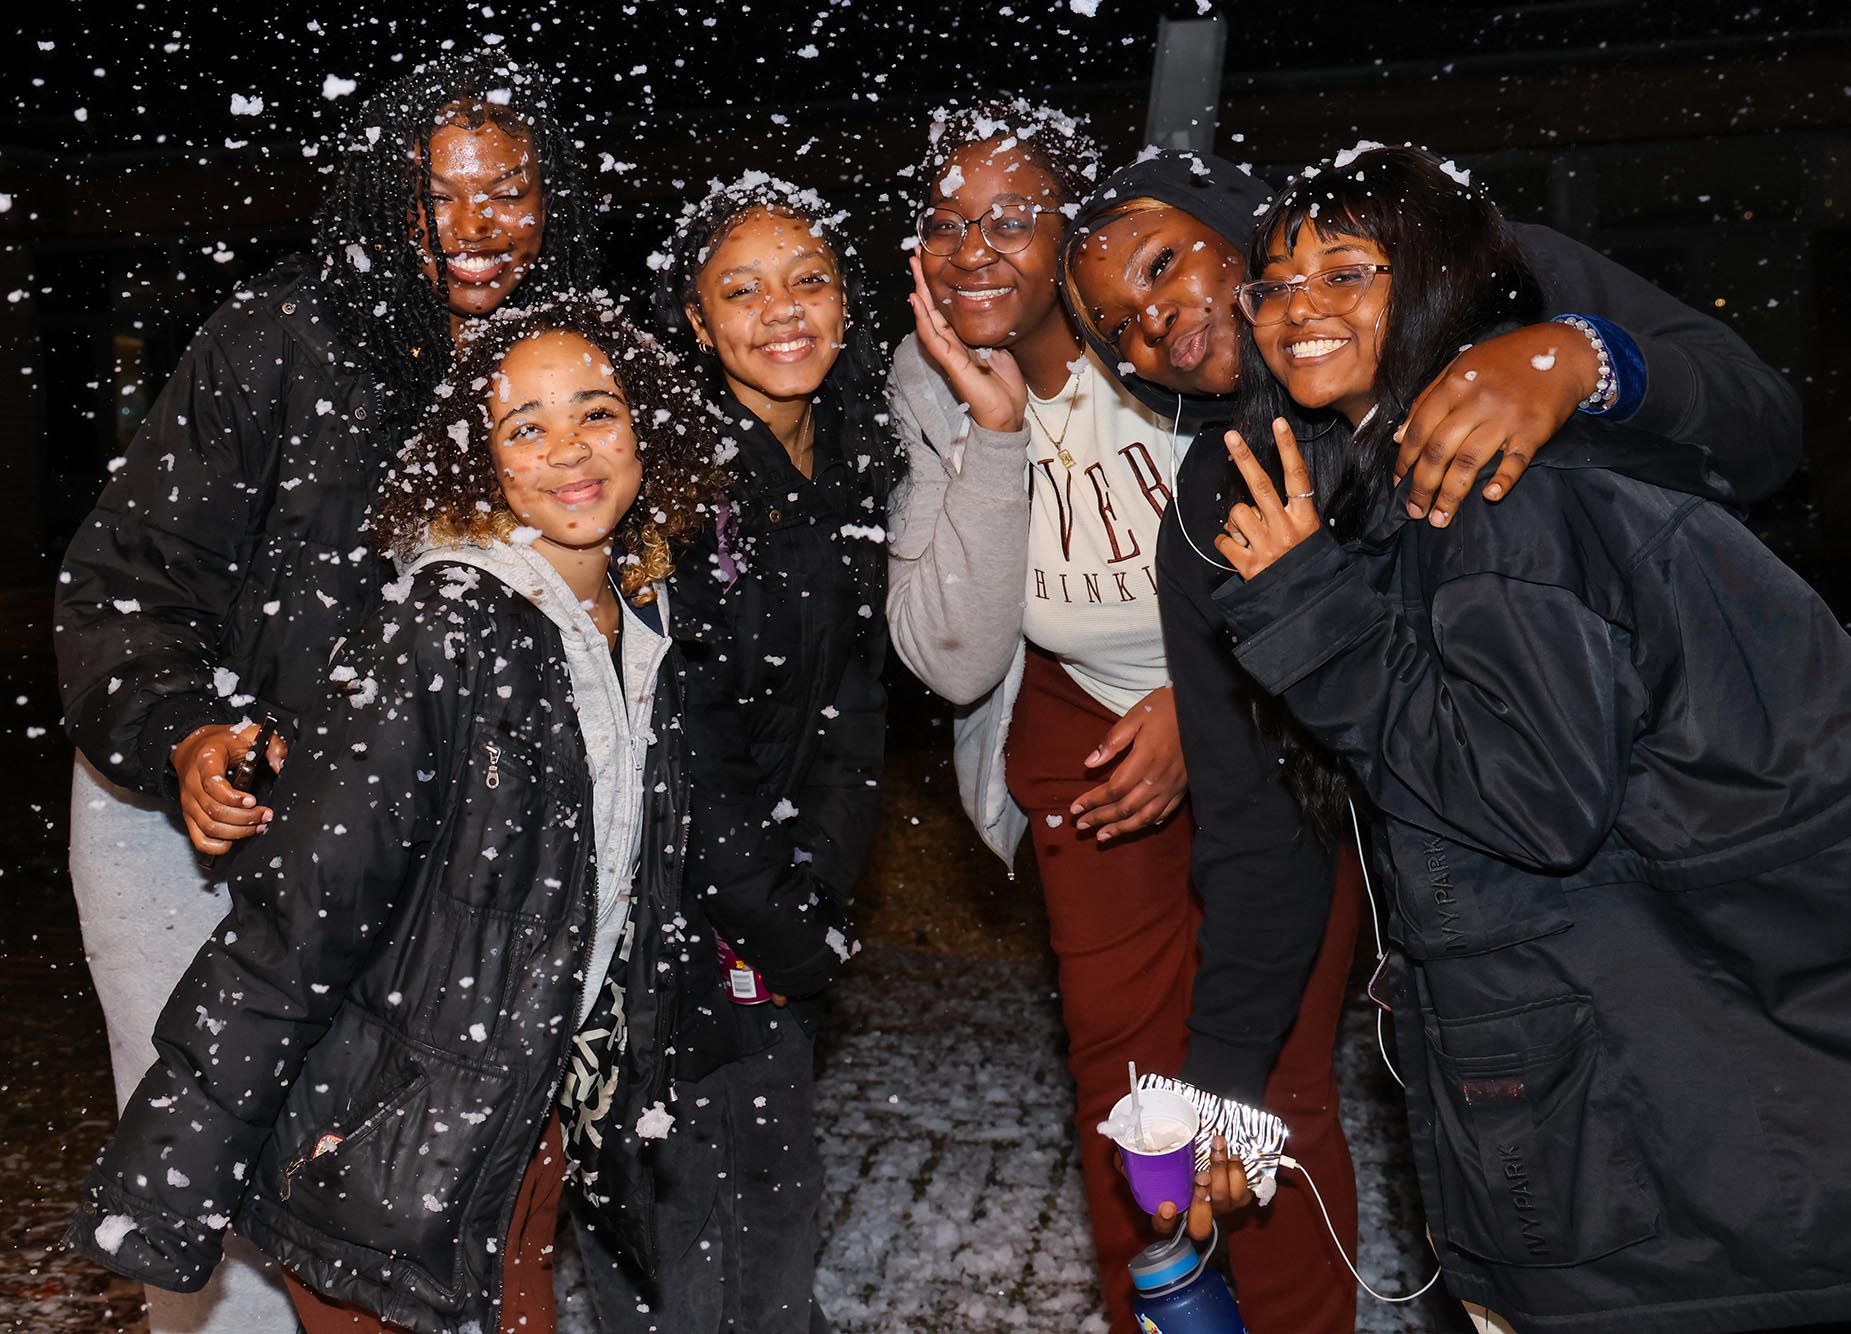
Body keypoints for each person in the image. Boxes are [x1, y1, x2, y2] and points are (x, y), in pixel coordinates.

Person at [1054, 147, 1804, 1328]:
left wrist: (1573, 359)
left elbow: (1762, 422)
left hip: (1717, 946)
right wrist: (1224, 1084)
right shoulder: (1226, 505)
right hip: (1527, 1015)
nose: (1152, 319)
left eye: (1162, 264)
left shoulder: (1470, 283)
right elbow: (1264, 829)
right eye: (1115, 325)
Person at [53, 52, 600, 1332]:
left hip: (401, 848)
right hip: (191, 822)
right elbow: (123, 586)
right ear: (378, 194)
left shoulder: (565, 367)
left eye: (508, 190)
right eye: (437, 191)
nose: (474, 227)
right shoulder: (274, 341)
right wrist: (184, 731)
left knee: (402, 1191)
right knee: (218, 1199)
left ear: (553, 197)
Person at [65, 298, 727, 1334]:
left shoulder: (641, 617)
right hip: (376, 1137)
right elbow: (304, 911)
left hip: (520, 1112)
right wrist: (174, 1171)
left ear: (650, 432)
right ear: (480, 463)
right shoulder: (443, 627)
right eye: (526, 427)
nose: (569, 451)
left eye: (596, 412)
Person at [883, 100, 1242, 1333]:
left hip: (1269, 721)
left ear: (1076, 232)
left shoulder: (1166, 331)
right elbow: (951, 653)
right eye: (946, 221)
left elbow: (1319, 544)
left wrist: (1207, 699)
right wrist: (988, 436)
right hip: (1080, 735)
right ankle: (1168, 1314)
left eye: (1012, 217)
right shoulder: (923, 381)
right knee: (1138, 1087)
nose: (971, 247)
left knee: (1266, 1091)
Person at [569, 174, 898, 1334]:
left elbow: (854, 706)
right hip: (668, 915)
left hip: (781, 903)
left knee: (754, 1219)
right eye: (742, 290)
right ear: (698, 325)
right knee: (690, 1230)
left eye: (809, 280)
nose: (784, 310)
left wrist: (822, 891)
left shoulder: (854, 457)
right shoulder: (672, 484)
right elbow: (683, 730)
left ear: (850, 303)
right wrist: (780, 919)